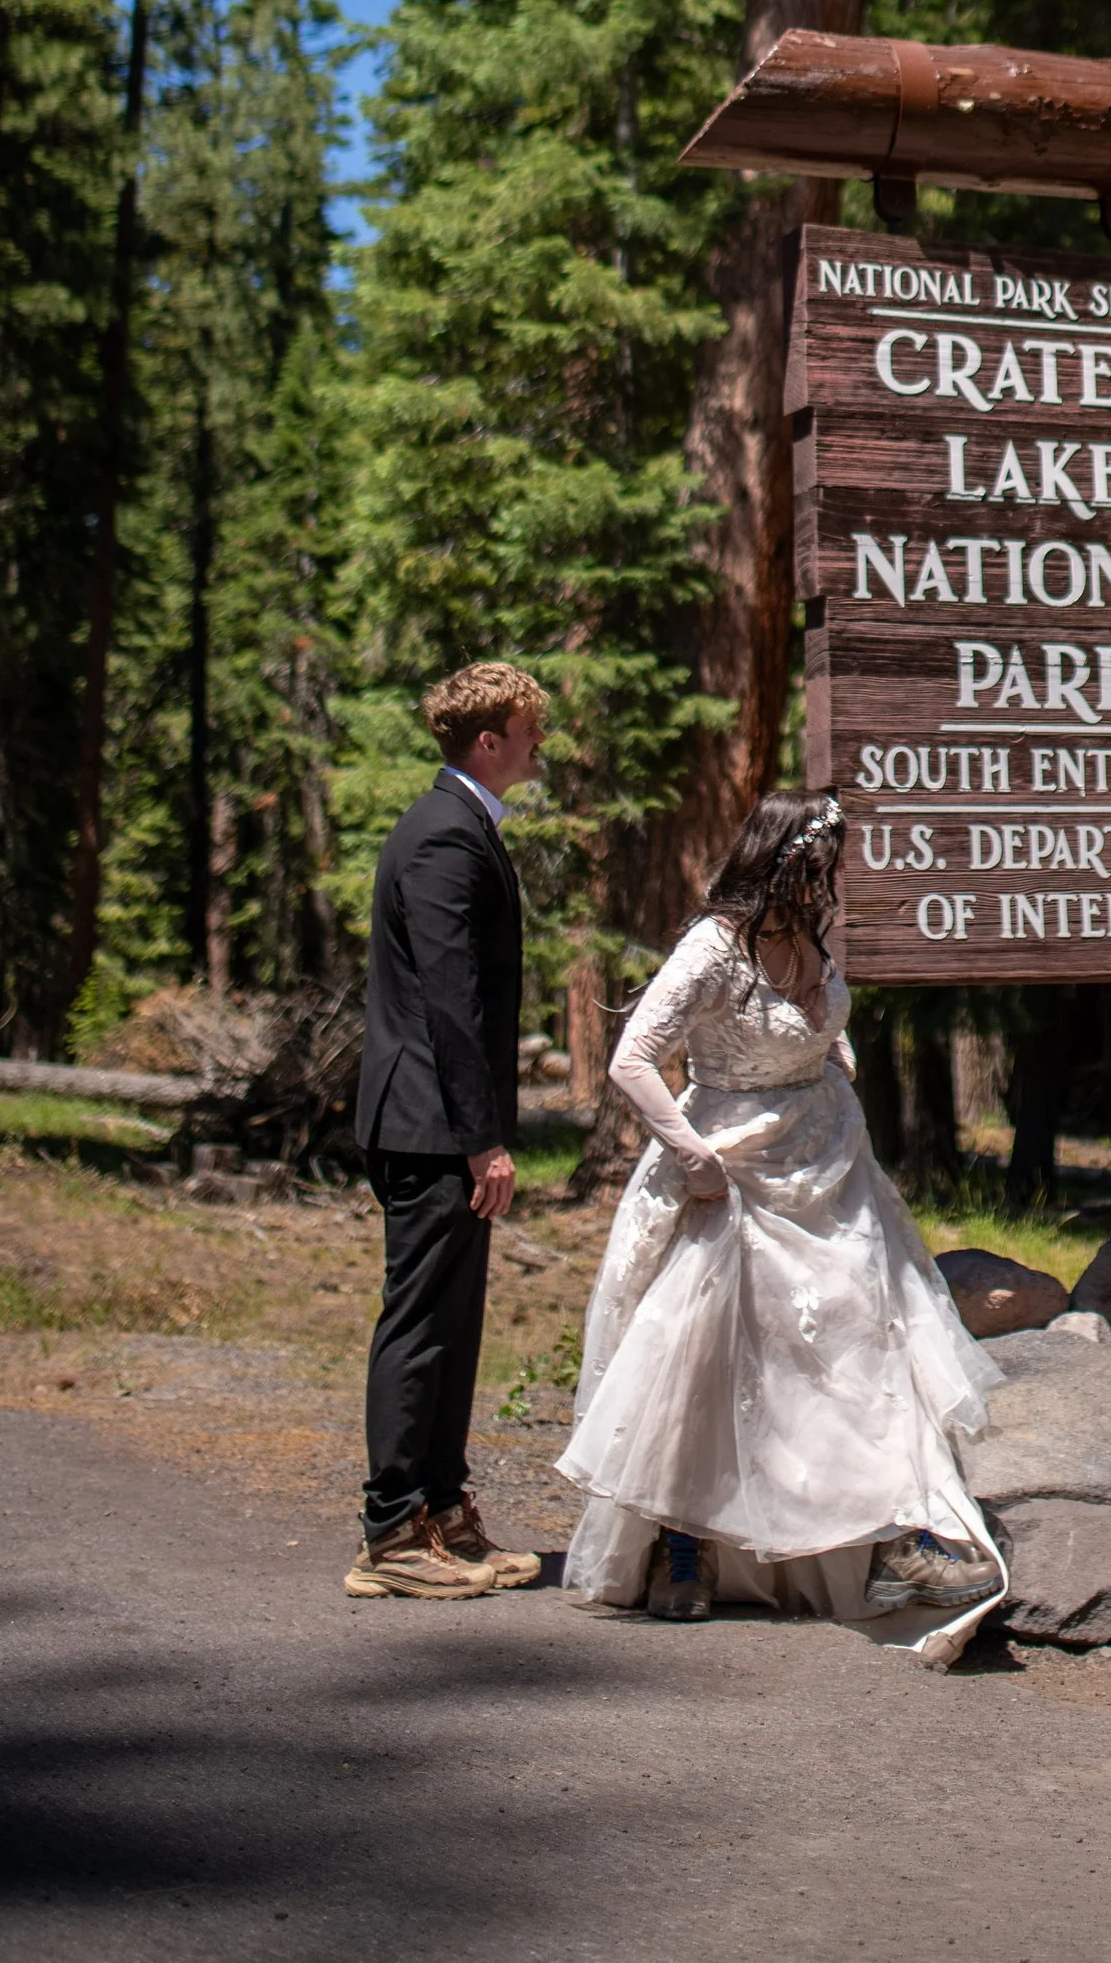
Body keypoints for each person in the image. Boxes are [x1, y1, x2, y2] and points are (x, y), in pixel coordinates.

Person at [558, 791, 1004, 1664]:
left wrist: (825, 1054)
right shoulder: (715, 948)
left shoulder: (811, 940)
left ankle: (888, 1534)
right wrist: (692, 1157)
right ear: (783, 861)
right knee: (709, 1353)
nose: (829, 881)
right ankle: (683, 1541)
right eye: (819, 864)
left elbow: (816, 1027)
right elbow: (633, 1057)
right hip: (733, 1169)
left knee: (856, 1342)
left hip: (828, 1165)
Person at [346, 660, 549, 1601]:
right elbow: (450, 1003)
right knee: (422, 1322)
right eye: (527, 727)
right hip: (429, 1125)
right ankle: (391, 1532)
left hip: (441, 1122)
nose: (538, 741)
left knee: (454, 1324)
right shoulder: (441, 838)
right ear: (488, 739)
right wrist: (484, 1137)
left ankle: (445, 1513)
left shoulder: (464, 828)